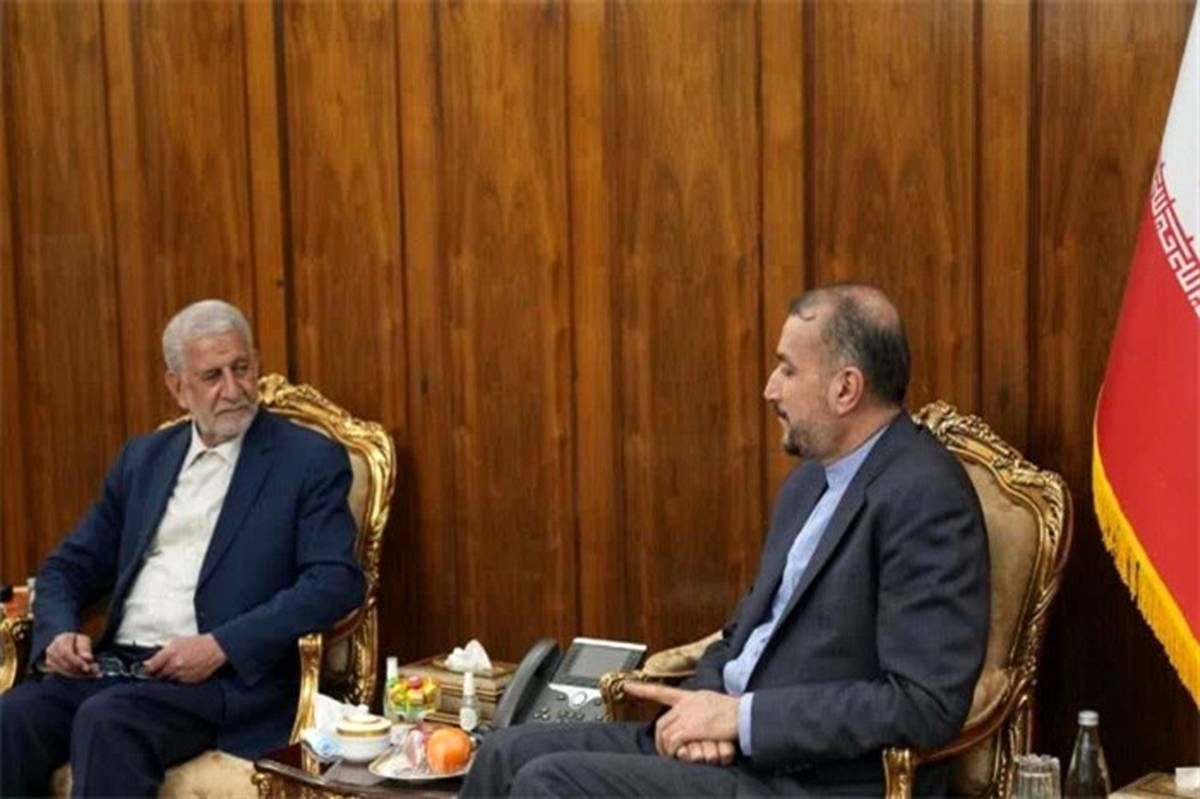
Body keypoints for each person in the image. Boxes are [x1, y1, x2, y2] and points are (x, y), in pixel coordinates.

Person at [461, 284, 990, 797]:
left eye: (788, 370)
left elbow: (924, 703)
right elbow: (742, 634)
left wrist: (741, 720)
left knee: (546, 784)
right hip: (731, 751)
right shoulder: (809, 483)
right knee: (502, 752)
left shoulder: (925, 495)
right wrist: (705, 705)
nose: (771, 389)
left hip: (807, 778)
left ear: (845, 389)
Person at [0, 299, 366, 796]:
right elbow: (67, 567)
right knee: (13, 717)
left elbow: (335, 581)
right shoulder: (143, 460)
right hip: (115, 667)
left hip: (218, 682)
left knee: (107, 720)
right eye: (212, 376)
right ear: (177, 388)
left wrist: (221, 645)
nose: (233, 389)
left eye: (242, 368)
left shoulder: (307, 460)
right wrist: (60, 632)